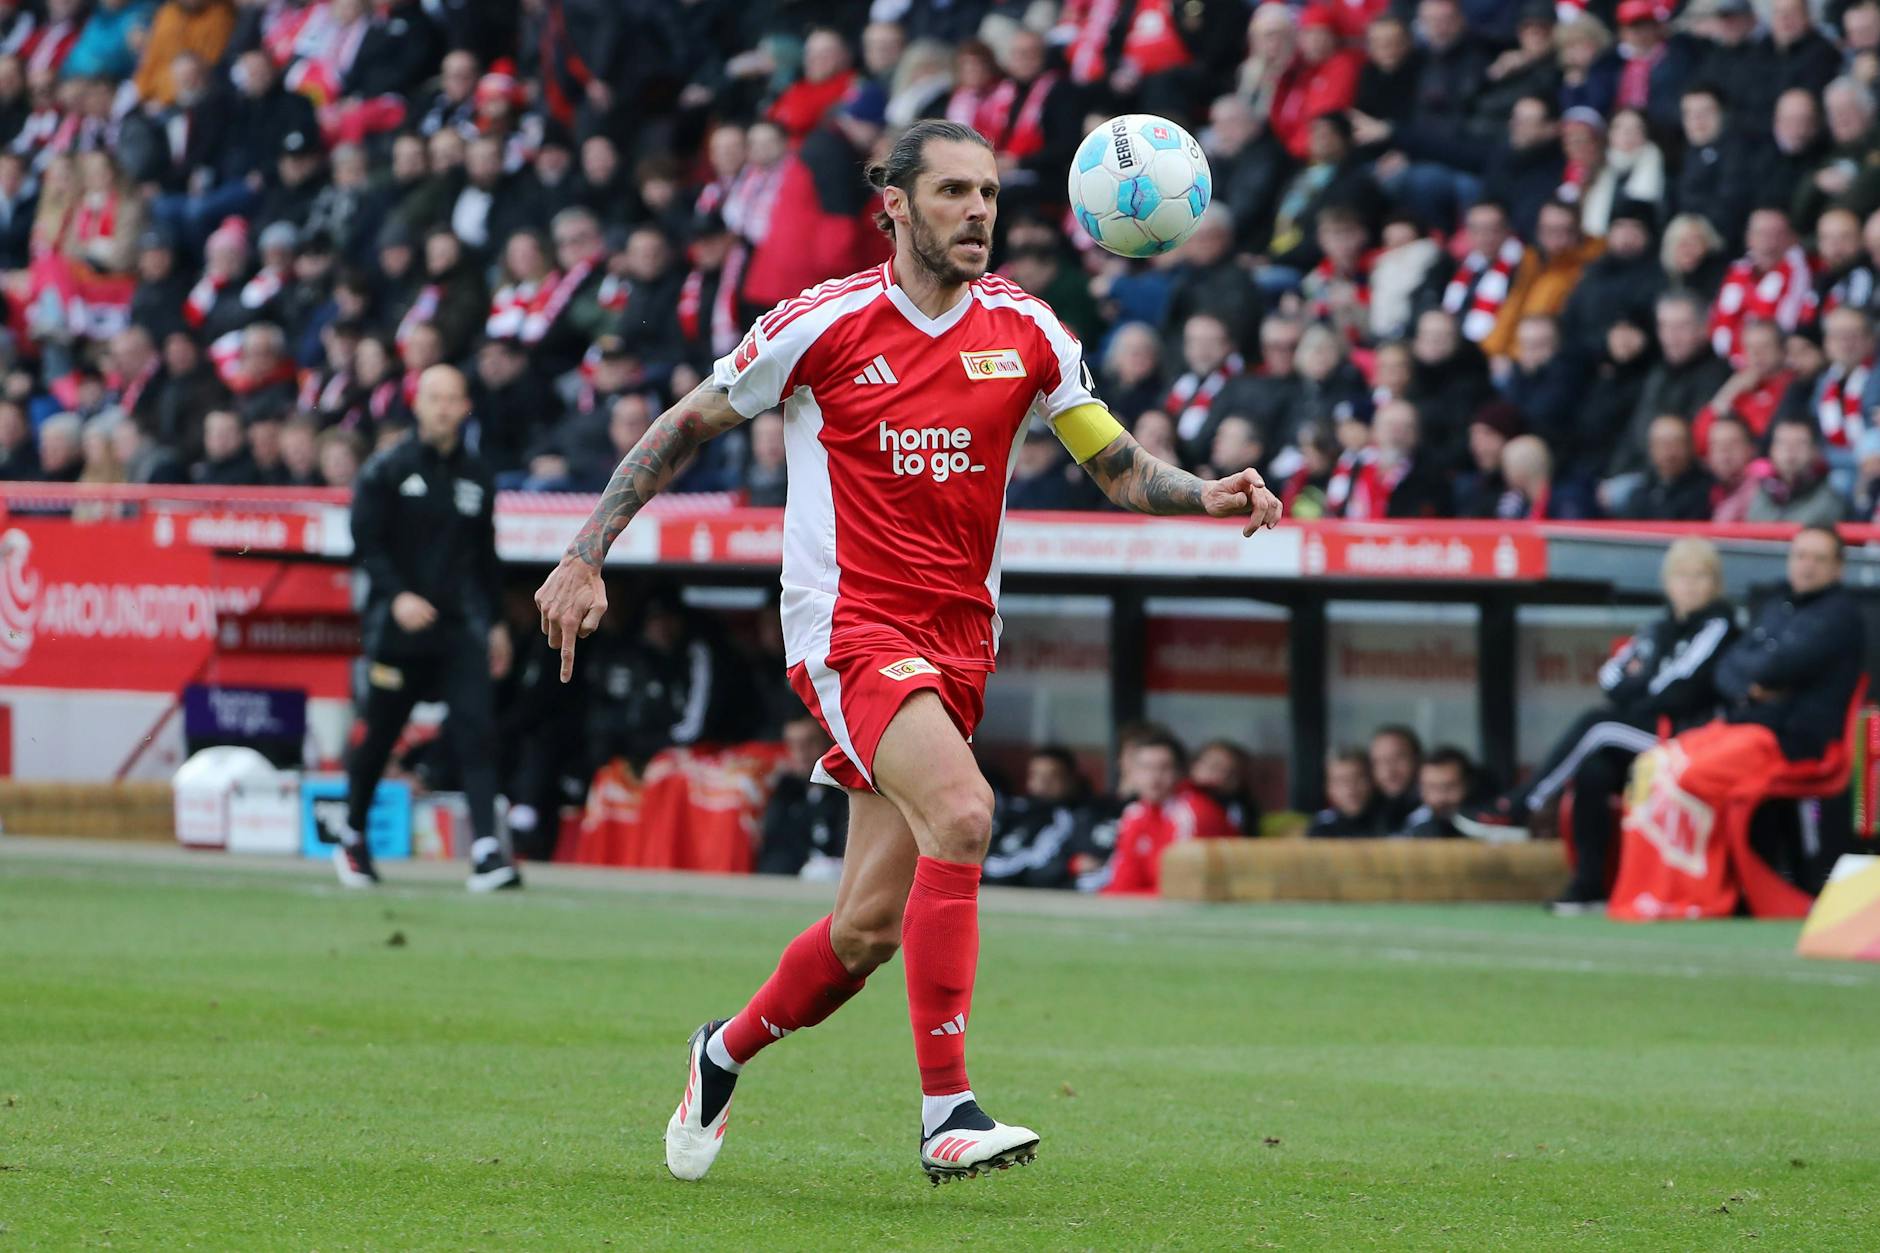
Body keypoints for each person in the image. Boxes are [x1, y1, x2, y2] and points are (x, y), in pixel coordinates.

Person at [529, 120, 1284, 1186]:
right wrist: (584, 552)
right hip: (847, 627)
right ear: (893, 203)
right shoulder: (819, 324)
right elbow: (683, 423)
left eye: (987, 193)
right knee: (967, 812)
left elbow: (1110, 461)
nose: (978, 212)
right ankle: (946, 1109)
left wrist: (1203, 492)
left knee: (865, 931)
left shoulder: (1025, 332)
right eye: (952, 193)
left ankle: (721, 1048)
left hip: (958, 641)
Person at [1456, 539, 1737, 909]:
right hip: (1646, 733)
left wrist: (1640, 684)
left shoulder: (1720, 625)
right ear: (1668, 583)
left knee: (1598, 725)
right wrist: (1644, 684)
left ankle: (1520, 807)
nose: (1690, 585)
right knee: (1593, 769)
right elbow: (1610, 676)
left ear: (1715, 583)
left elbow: (1680, 690)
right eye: (1681, 576)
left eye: (1700, 576)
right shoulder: (1656, 628)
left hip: (1689, 740)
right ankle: (1589, 885)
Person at [335, 364, 519, 894]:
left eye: (451, 398)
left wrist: (499, 625)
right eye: (432, 397)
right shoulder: (387, 469)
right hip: (401, 629)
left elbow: (486, 557)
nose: (442, 407)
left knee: (477, 730)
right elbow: (366, 544)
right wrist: (398, 596)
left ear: (466, 407)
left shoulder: (478, 476)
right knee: (381, 735)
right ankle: (352, 835)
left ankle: (485, 850)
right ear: (416, 404)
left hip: (461, 626)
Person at [1099, 733, 1237, 894]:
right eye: (1146, 768)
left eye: (1164, 768)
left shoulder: (1193, 813)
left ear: (1179, 773)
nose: (1154, 777)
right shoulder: (1134, 814)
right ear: (1131, 773)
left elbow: (1182, 891)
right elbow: (1123, 884)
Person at [981, 745, 1106, 889]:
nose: (1043, 783)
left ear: (1070, 780)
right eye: (1036, 775)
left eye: (1052, 776)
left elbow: (1037, 864)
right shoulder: (1013, 809)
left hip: (1017, 889)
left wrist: (983, 867)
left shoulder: (1065, 817)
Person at [757, 717, 850, 877]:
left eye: (810, 743)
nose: (801, 754)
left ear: (829, 741)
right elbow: (772, 855)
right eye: (793, 745)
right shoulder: (784, 793)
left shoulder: (848, 793)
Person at [1307, 748, 1385, 837]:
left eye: (1357, 778)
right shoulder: (1321, 826)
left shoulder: (1393, 820)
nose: (1350, 788)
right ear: (1329, 788)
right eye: (1341, 781)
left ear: (1373, 780)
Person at [1402, 747, 1473, 838]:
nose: (1440, 797)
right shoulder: (1413, 823)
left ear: (1468, 785)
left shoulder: (1487, 823)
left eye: (1449, 787)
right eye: (1432, 787)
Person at [1369, 725, 1422, 832]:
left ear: (1417, 760)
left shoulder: (1437, 811)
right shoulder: (1363, 812)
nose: (1389, 770)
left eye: (1397, 758)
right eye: (1380, 761)